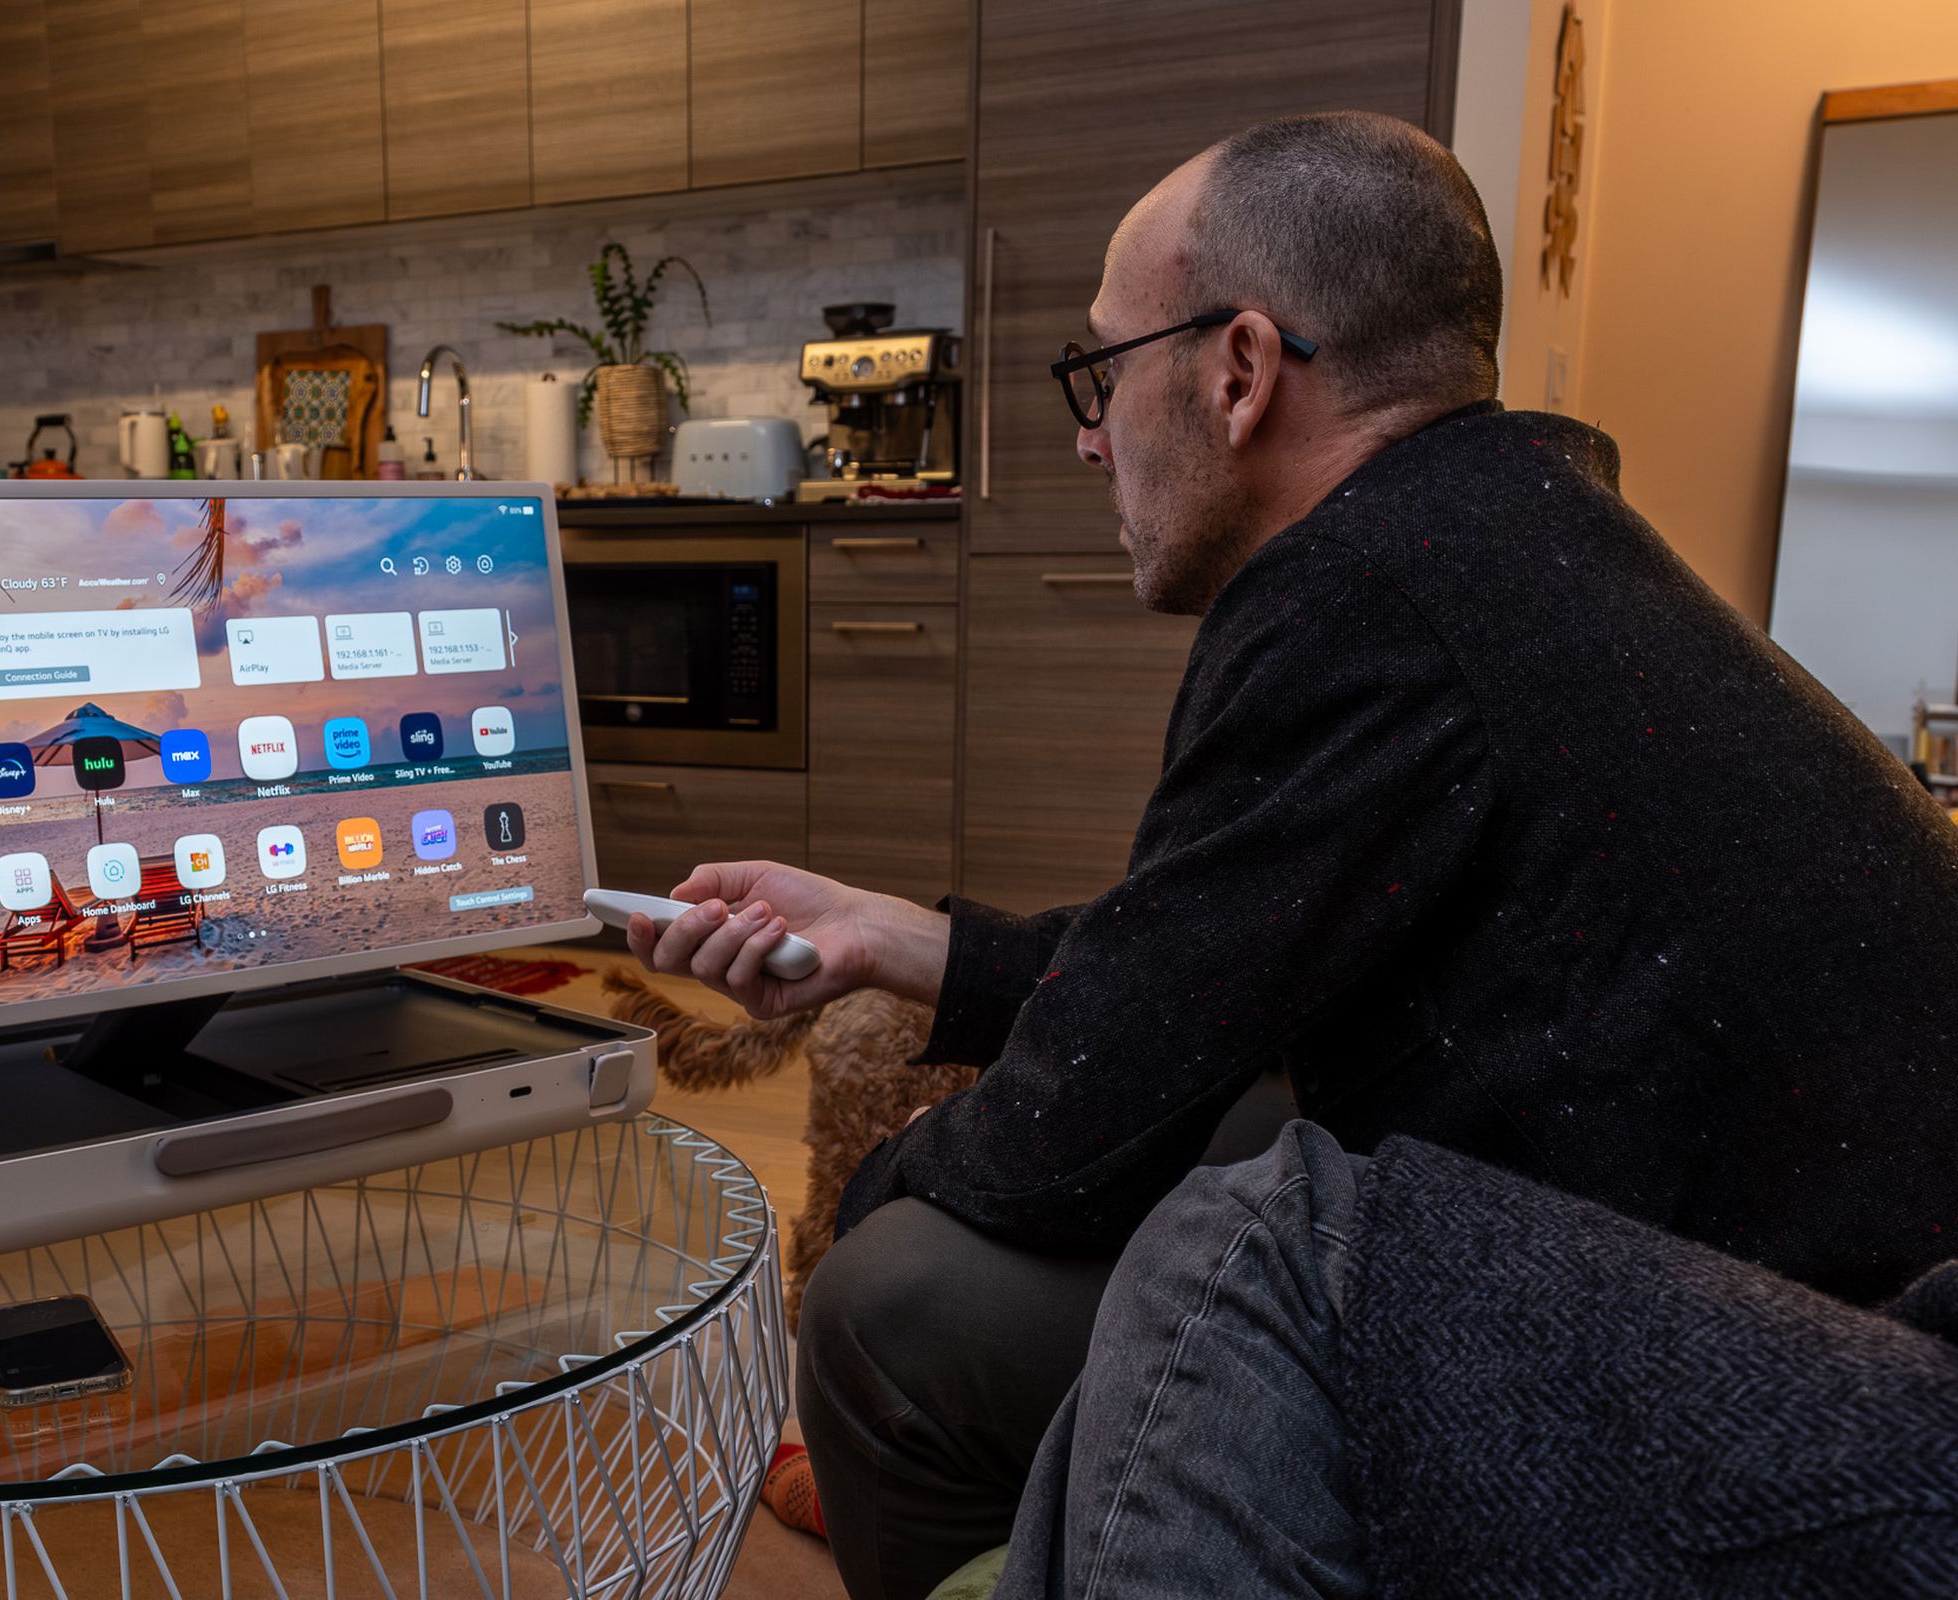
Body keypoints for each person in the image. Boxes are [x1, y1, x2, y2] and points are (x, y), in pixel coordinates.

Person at [626, 110, 1958, 1600]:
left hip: (1820, 1395)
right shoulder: (1508, 536)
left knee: (893, 1307)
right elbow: (1210, 957)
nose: (1087, 432)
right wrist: (904, 939)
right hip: (1794, 1299)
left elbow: (1062, 1142)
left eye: (1102, 370)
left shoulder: (1367, 591)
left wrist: (857, 1220)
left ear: (1240, 371)